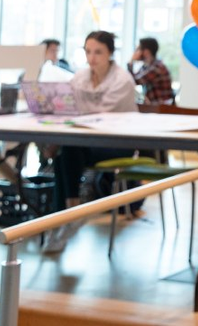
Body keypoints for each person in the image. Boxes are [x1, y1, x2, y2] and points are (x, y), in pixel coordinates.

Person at [44, 30, 139, 254]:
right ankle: (68, 215)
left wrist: (75, 113)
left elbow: (101, 115)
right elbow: (69, 105)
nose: (92, 57)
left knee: (67, 150)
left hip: (118, 144)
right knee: (63, 153)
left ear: (110, 54)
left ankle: (66, 216)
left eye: (98, 52)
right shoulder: (80, 77)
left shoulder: (122, 80)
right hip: (86, 142)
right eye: (88, 51)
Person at [128, 37, 174, 104]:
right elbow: (132, 80)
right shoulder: (147, 66)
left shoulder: (156, 68)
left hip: (161, 109)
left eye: (138, 49)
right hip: (155, 108)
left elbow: (134, 81)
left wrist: (131, 62)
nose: (135, 52)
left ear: (146, 52)